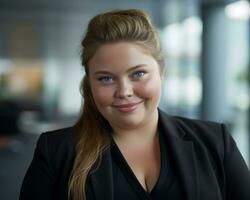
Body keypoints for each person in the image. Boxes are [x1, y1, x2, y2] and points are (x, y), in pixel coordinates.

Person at [19, 9, 250, 200]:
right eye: (106, 78)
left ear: (161, 73)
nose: (124, 92)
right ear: (90, 83)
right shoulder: (56, 151)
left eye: (138, 74)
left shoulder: (215, 142)